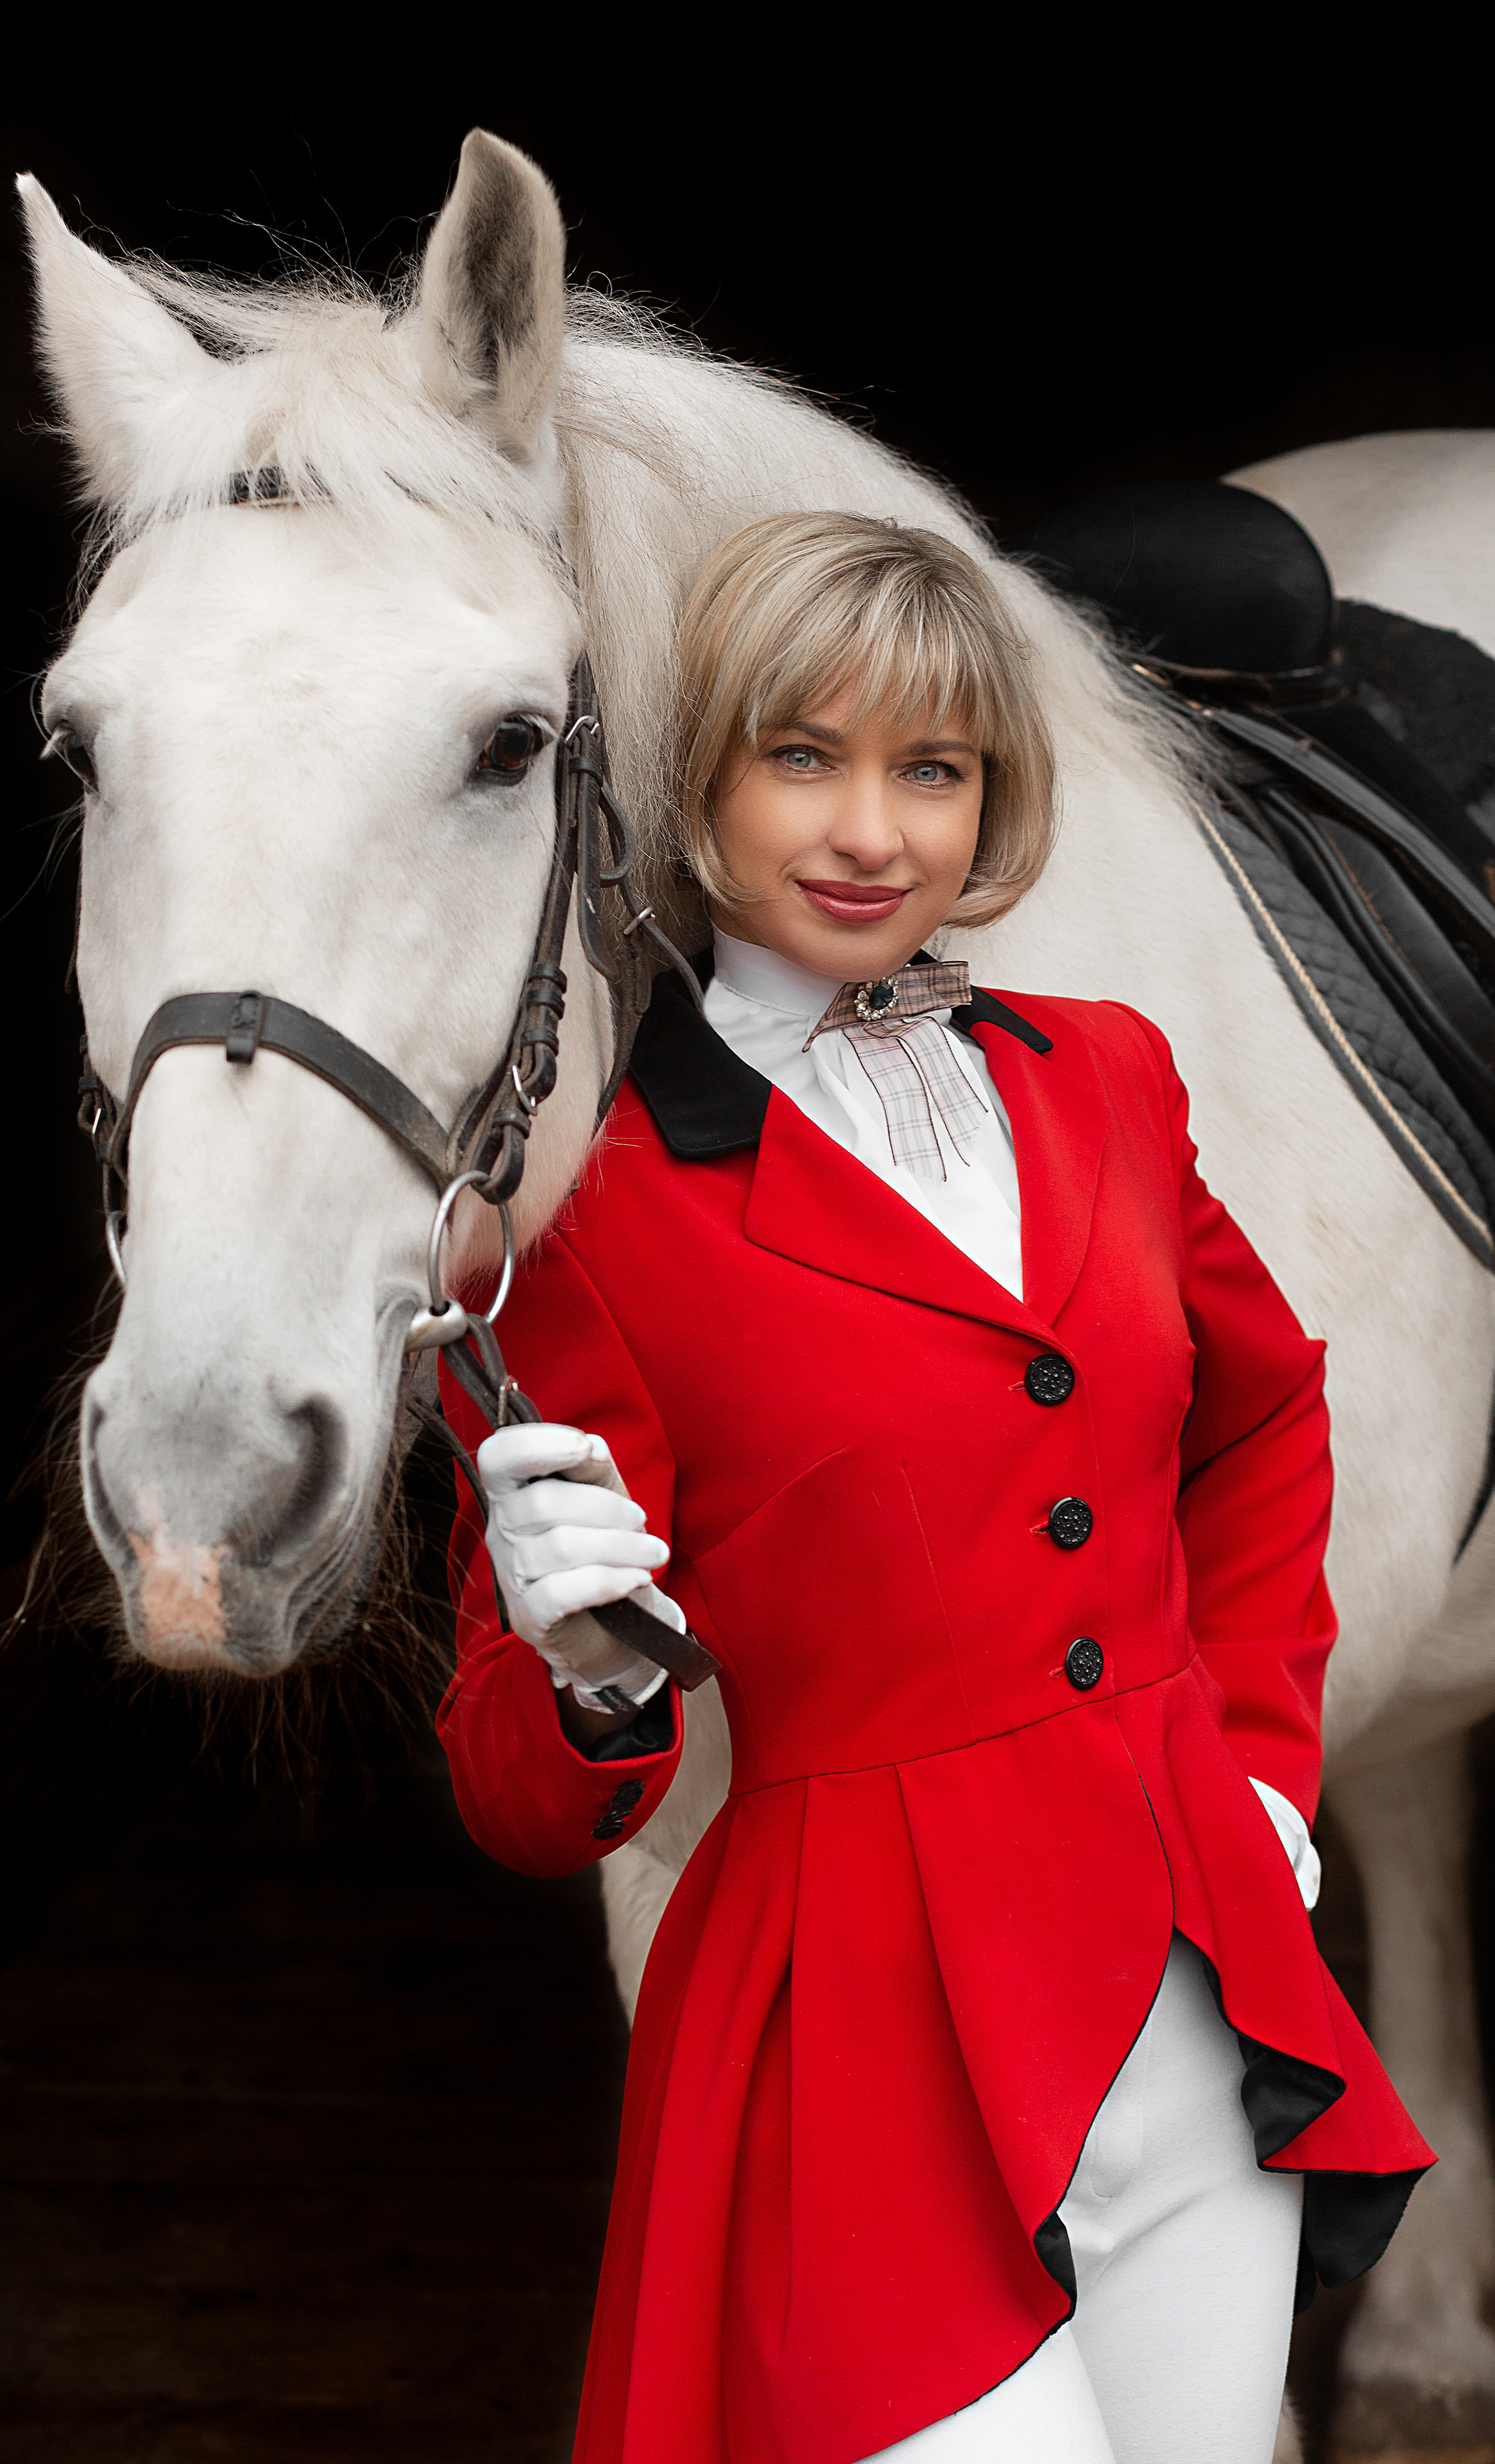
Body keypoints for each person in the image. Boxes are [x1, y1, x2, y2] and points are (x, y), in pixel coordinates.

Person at [434, 513, 1431, 2464]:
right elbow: (523, 1798)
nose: (871, 828)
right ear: (696, 780)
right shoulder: (592, 1210)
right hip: (862, 2050)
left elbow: (1263, 1411)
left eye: (934, 768)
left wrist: (1252, 1758)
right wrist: (591, 1671)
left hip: (1194, 2016)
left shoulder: (1107, 1079)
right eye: (804, 755)